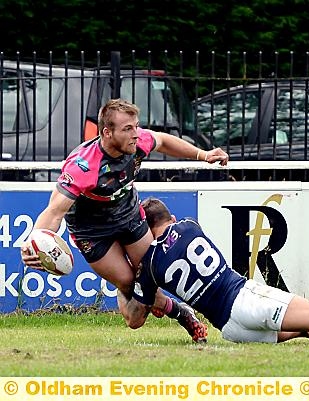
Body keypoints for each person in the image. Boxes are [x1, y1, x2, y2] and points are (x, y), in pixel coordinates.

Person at [20, 98, 229, 342]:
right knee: (132, 285)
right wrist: (33, 242)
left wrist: (203, 154)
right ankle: (180, 312)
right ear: (107, 133)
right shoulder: (83, 166)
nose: (135, 134)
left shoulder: (138, 142)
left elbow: (162, 140)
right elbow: (55, 211)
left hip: (129, 217)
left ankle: (163, 304)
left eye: (136, 127)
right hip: (92, 233)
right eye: (127, 129)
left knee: (152, 276)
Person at [117, 197, 309, 346]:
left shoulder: (151, 267)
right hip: (245, 300)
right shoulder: (190, 225)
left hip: (230, 329)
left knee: (306, 328)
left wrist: (122, 277)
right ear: (172, 218)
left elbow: (134, 320)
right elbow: (175, 238)